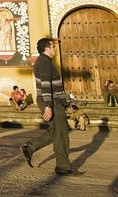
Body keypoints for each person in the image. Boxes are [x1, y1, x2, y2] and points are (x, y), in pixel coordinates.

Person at [20, 38, 82, 176]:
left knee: (56, 130)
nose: (55, 49)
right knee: (61, 133)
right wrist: (48, 105)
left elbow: (56, 87)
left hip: (54, 100)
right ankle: (62, 166)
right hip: (50, 101)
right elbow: (45, 85)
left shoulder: (45, 62)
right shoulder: (44, 63)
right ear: (47, 48)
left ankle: (30, 147)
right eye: (53, 46)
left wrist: (66, 103)